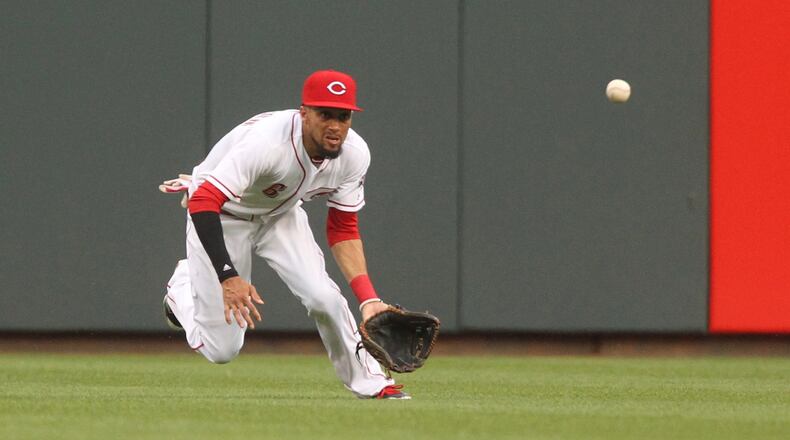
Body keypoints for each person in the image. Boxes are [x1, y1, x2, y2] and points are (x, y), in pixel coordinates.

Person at [162, 69, 409, 399]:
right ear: (304, 114)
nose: (335, 126)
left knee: (324, 296)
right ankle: (182, 284)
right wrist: (228, 276)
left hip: (280, 213)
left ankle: (375, 384)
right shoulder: (268, 143)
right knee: (222, 350)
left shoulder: (354, 154)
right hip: (222, 215)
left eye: (343, 116)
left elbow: (343, 228)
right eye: (325, 115)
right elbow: (205, 200)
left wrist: (368, 298)